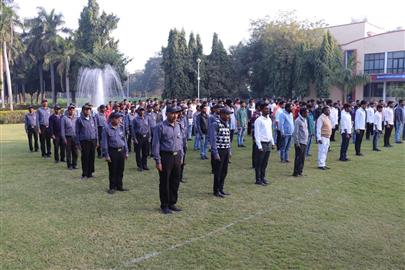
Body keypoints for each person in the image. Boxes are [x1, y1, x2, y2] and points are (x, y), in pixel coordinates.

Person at [152, 106, 184, 214]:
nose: (175, 116)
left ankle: (172, 203)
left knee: (175, 181)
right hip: (166, 157)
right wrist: (158, 161)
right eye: (172, 113)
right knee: (165, 182)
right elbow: (155, 145)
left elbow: (181, 143)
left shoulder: (178, 125)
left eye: (176, 114)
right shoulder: (160, 127)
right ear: (167, 114)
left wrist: (182, 156)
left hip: (177, 156)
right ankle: (164, 205)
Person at [102, 112, 129, 194]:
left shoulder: (121, 127)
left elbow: (124, 140)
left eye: (120, 118)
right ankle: (112, 187)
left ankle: (119, 186)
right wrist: (106, 155)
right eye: (118, 118)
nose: (120, 120)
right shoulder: (106, 129)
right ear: (112, 119)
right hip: (112, 151)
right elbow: (105, 143)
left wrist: (126, 151)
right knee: (113, 170)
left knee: (121, 169)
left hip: (121, 151)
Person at [210, 108, 232, 197]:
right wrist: (215, 153)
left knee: (224, 171)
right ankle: (216, 190)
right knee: (218, 172)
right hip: (219, 150)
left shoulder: (227, 124)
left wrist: (229, 150)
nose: (228, 116)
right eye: (227, 114)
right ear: (222, 114)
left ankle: (221, 188)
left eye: (229, 114)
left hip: (225, 150)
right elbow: (213, 140)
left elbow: (228, 139)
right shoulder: (215, 124)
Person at [253, 103, 275, 185]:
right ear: (261, 110)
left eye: (268, 109)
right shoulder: (258, 120)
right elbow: (257, 134)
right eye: (265, 109)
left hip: (268, 143)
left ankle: (263, 177)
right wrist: (259, 146)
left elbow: (270, 132)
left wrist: (273, 143)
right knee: (259, 163)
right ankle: (258, 179)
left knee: (265, 163)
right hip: (262, 143)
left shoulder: (269, 119)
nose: (268, 110)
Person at [76, 104, 98, 179]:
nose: (88, 111)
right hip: (84, 141)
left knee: (92, 157)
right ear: (83, 111)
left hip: (92, 140)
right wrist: (78, 143)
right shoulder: (79, 120)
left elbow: (96, 130)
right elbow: (77, 132)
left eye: (89, 109)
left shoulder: (93, 118)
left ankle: (90, 173)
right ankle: (84, 174)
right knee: (85, 157)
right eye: (86, 109)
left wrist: (97, 141)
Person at [132, 107, 150, 171]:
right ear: (138, 111)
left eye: (143, 110)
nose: (142, 111)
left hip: (146, 136)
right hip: (139, 137)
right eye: (140, 110)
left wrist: (149, 136)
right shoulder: (135, 119)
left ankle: (144, 164)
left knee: (145, 152)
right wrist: (134, 138)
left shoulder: (146, 118)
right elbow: (133, 129)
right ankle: (139, 166)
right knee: (138, 152)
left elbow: (148, 127)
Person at [61, 104, 78, 170]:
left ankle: (74, 164)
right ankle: (69, 165)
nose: (72, 111)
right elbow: (62, 129)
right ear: (68, 110)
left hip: (75, 137)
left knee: (75, 152)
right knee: (68, 152)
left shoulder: (76, 118)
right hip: (68, 137)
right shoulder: (64, 118)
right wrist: (64, 138)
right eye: (70, 109)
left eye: (73, 109)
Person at [292, 107, 308, 177]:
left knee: (302, 158)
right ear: (303, 113)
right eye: (306, 112)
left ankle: (300, 171)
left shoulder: (305, 119)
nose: (307, 113)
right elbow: (295, 133)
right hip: (300, 142)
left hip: (304, 142)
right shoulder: (298, 120)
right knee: (298, 158)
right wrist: (297, 143)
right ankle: (295, 172)